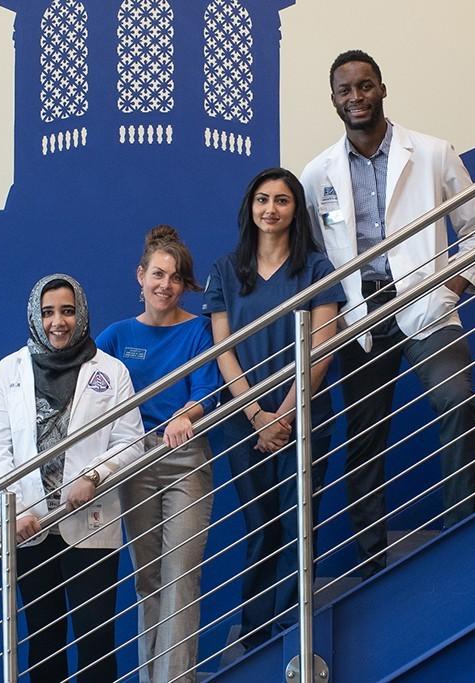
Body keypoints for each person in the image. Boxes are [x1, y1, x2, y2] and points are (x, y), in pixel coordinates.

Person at [300, 49, 475, 578]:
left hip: (426, 301)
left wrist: (455, 282)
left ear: (382, 88)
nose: (356, 97)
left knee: (456, 402)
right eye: (345, 90)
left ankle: (461, 527)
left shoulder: (432, 152)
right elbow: (316, 257)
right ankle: (372, 562)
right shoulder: (317, 171)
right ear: (334, 100)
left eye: (365, 86)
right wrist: (333, 314)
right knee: (364, 441)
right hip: (359, 316)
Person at [0, 273, 145, 683]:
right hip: (30, 528)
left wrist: (94, 475)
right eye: (49, 312)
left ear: (81, 314)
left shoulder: (111, 371)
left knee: (95, 640)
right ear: (36, 316)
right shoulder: (8, 372)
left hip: (90, 523)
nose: (59, 321)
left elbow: (131, 443)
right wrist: (11, 510)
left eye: (68, 311)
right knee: (43, 640)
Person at [203, 167, 342, 649]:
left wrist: (283, 413)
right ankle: (257, 632)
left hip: (304, 415)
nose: (271, 209)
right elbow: (223, 349)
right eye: (262, 199)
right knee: (261, 522)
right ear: (250, 208)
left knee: (298, 521)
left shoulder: (318, 269)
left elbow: (321, 348)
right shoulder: (225, 270)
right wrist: (257, 414)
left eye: (282, 200)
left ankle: (291, 628)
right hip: (244, 421)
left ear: (294, 210)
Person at [96, 225, 221, 683]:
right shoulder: (116, 335)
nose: (164, 285)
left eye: (174, 277)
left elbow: (208, 389)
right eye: (157, 275)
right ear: (140, 276)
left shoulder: (198, 331)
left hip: (185, 458)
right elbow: (90, 391)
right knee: (147, 582)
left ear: (185, 283)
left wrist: (186, 415)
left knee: (180, 579)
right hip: (134, 463)